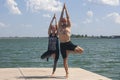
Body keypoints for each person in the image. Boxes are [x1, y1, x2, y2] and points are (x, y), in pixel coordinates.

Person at [58, 4, 84, 78]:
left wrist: (66, 10)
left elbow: (68, 17)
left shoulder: (68, 26)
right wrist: (62, 10)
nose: (63, 22)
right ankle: (67, 73)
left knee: (81, 50)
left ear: (66, 21)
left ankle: (70, 51)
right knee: (65, 60)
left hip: (69, 43)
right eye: (62, 21)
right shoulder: (59, 26)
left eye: (64, 21)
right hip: (62, 45)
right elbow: (60, 18)